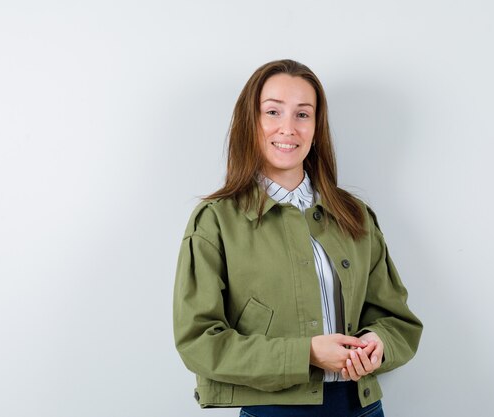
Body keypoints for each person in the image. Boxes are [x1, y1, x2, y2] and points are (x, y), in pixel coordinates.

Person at [173, 59, 423, 417]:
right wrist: (305, 353)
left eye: (303, 115)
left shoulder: (354, 215)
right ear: (251, 123)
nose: (288, 128)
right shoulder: (215, 222)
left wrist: (378, 342)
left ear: (317, 128)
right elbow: (197, 342)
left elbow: (397, 319)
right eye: (273, 112)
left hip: (363, 408)